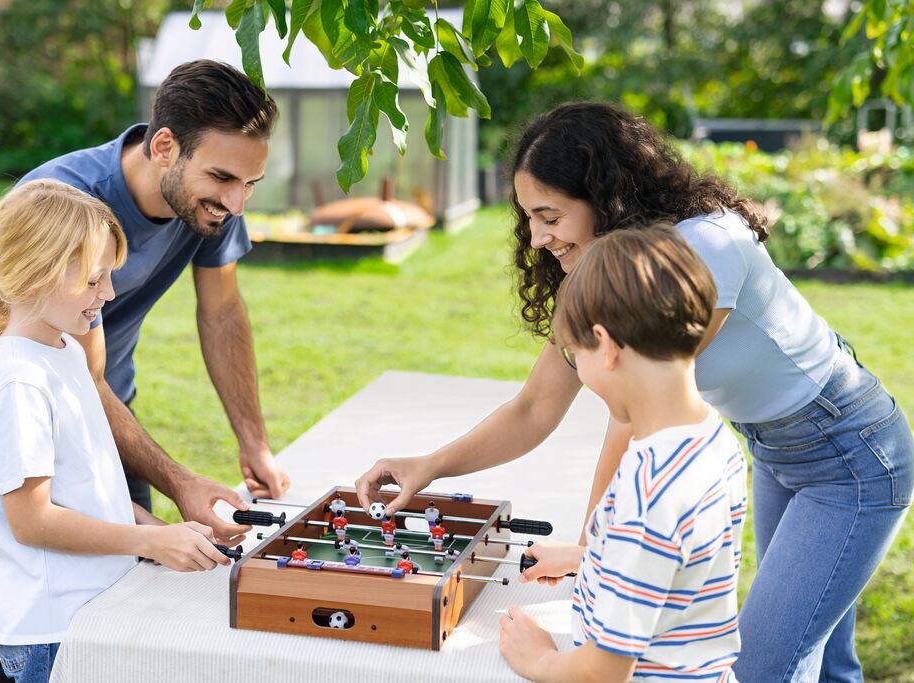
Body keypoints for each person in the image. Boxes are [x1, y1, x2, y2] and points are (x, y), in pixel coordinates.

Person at [357, 101, 914, 681]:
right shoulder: (616, 275)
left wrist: (595, 564)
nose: (537, 236)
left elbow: (634, 417)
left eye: (549, 215)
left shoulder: (696, 252)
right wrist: (429, 466)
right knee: (818, 652)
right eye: (528, 217)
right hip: (774, 446)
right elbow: (534, 407)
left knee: (769, 666)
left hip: (849, 453)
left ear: (606, 199)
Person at [0, 59, 290, 682]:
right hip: (10, 405)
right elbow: (34, 521)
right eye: (222, 178)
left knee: (125, 592)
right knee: (18, 609)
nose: (236, 203)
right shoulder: (62, 210)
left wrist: (250, 444)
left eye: (251, 183)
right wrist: (170, 500)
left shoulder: (208, 205)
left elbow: (223, 311)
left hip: (89, 393)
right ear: (164, 148)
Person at [0, 180, 230, 683]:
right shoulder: (20, 383)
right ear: (38, 274)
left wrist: (160, 531)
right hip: (52, 632)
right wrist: (147, 543)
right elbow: (33, 522)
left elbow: (87, 491)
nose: (108, 293)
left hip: (86, 612)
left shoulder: (64, 353)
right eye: (94, 279)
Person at [499, 225, 748, 681]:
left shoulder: (648, 486)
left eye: (577, 354)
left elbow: (606, 669)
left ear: (607, 346)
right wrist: (588, 559)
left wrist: (538, 657)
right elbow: (679, 563)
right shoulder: (714, 439)